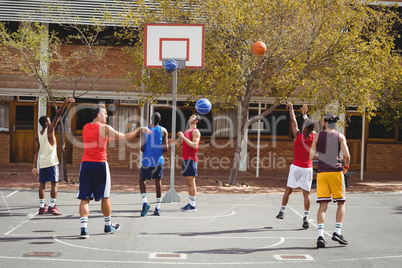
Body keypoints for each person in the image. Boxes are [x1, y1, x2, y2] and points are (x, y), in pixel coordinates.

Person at [78, 104, 151, 239]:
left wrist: (107, 137)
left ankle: (84, 229)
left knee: (85, 198)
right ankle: (108, 225)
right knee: (105, 196)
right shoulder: (104, 128)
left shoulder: (85, 127)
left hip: (86, 164)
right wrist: (139, 129)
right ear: (98, 115)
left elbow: (96, 140)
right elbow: (124, 138)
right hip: (100, 164)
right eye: (105, 113)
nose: (106, 116)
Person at [310, 113, 350, 248]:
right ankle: (337, 232)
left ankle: (320, 236)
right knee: (341, 202)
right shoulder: (340, 136)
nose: (321, 123)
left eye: (322, 121)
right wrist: (346, 167)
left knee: (322, 206)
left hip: (322, 173)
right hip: (336, 173)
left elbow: (311, 156)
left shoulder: (317, 136)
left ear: (326, 123)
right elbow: (347, 155)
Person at [32, 98, 75, 215]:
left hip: (43, 162)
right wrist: (65, 103)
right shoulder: (50, 129)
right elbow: (58, 114)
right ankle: (52, 206)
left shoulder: (38, 135)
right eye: (49, 121)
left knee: (42, 185)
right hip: (52, 163)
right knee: (54, 184)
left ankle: (42, 207)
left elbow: (35, 152)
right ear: (46, 123)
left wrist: (34, 166)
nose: (51, 122)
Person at [276, 103, 315, 229]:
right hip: (307, 168)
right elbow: (311, 127)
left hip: (296, 167)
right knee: (306, 194)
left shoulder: (298, 135)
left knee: (289, 190)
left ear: (304, 128)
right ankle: (306, 217)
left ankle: (282, 211)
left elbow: (293, 121)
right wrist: (305, 116)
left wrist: (291, 108)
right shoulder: (314, 137)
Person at [139, 112, 168, 217]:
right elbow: (166, 148)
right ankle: (158, 208)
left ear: (150, 119)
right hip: (158, 161)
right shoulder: (163, 130)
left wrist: (148, 149)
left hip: (147, 160)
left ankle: (145, 202)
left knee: (142, 181)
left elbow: (142, 148)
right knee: (158, 183)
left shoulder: (144, 130)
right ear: (159, 121)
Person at [170, 113, 201, 212]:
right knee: (188, 182)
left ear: (196, 121)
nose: (190, 117)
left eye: (193, 117)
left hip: (191, 159)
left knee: (191, 181)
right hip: (185, 159)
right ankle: (191, 203)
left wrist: (183, 137)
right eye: (190, 116)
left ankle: (193, 206)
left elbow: (194, 145)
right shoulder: (187, 131)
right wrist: (174, 142)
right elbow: (181, 146)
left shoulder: (196, 132)